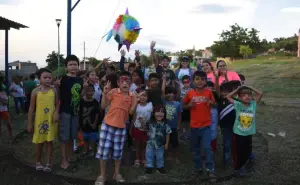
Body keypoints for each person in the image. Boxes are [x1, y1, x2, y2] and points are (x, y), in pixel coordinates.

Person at [95, 71, 137, 185]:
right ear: (118, 83)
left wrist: (135, 102)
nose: (125, 83)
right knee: (104, 151)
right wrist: (104, 93)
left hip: (121, 127)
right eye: (122, 81)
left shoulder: (133, 96)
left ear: (130, 84)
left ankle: (116, 173)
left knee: (117, 153)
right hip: (107, 125)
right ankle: (102, 175)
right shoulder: (113, 92)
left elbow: (131, 112)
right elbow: (103, 106)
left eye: (127, 81)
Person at [183, 71, 216, 182]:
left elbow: (215, 104)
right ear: (193, 81)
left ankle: (210, 169)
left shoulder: (209, 92)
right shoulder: (190, 93)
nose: (200, 81)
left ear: (206, 81)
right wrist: (188, 105)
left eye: (202, 79)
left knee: (207, 148)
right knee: (195, 149)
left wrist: (211, 103)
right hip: (194, 126)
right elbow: (183, 105)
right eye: (197, 79)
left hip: (206, 125)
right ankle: (198, 168)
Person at [54, 55, 83, 170]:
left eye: (75, 64)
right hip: (65, 112)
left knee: (72, 136)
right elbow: (57, 97)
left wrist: (84, 90)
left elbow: (79, 96)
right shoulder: (62, 79)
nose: (73, 66)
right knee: (64, 137)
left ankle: (69, 158)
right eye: (70, 64)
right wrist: (56, 111)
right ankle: (63, 160)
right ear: (66, 67)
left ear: (78, 66)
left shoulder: (80, 80)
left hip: (75, 112)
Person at [27, 68, 59, 172]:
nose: (48, 79)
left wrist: (56, 113)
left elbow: (57, 103)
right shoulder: (35, 91)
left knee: (49, 142)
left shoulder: (54, 90)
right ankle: (38, 162)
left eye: (50, 77)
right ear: (39, 78)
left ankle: (49, 163)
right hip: (39, 121)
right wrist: (29, 123)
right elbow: (31, 108)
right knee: (39, 143)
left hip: (50, 121)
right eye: (45, 77)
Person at [226, 85, 263, 176]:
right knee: (239, 152)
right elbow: (228, 97)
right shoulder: (238, 104)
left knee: (247, 151)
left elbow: (260, 93)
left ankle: (243, 164)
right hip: (238, 133)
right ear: (239, 97)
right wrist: (238, 89)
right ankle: (238, 168)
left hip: (248, 133)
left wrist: (250, 87)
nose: (247, 97)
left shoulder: (253, 105)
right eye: (244, 95)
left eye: (249, 95)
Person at [144, 104, 171, 174]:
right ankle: (149, 167)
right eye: (157, 111)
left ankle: (160, 167)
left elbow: (168, 134)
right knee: (149, 155)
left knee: (160, 156)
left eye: (162, 112)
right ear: (153, 113)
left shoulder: (165, 124)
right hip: (150, 144)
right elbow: (145, 130)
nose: (160, 113)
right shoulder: (149, 122)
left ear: (164, 114)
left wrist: (167, 144)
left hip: (160, 144)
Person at [130, 86, 153, 167]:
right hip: (137, 128)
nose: (143, 97)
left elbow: (152, 117)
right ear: (138, 97)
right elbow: (133, 117)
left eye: (145, 95)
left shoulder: (150, 105)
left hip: (146, 129)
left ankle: (143, 159)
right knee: (137, 145)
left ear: (148, 97)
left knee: (144, 145)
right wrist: (131, 128)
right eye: (141, 95)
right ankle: (137, 159)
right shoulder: (137, 105)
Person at [162, 85, 181, 163]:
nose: (170, 94)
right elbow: (162, 93)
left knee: (175, 143)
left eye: (172, 93)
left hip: (173, 127)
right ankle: (168, 156)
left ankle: (176, 157)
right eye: (168, 93)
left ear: (174, 94)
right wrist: (164, 81)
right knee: (167, 142)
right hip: (165, 126)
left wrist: (178, 125)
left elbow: (180, 116)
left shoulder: (177, 104)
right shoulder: (164, 102)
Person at [79, 84, 100, 157]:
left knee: (92, 139)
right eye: (88, 91)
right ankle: (86, 150)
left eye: (92, 91)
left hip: (93, 124)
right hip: (84, 124)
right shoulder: (82, 101)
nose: (90, 93)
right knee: (85, 138)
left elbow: (97, 114)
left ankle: (93, 151)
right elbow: (80, 112)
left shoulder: (95, 102)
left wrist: (95, 123)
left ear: (94, 92)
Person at [180, 75, 192, 140]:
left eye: (187, 82)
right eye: (184, 82)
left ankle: (188, 134)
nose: (186, 83)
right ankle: (182, 134)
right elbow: (179, 99)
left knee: (188, 122)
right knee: (182, 122)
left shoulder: (192, 90)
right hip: (182, 109)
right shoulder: (180, 90)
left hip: (189, 109)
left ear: (190, 82)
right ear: (182, 83)